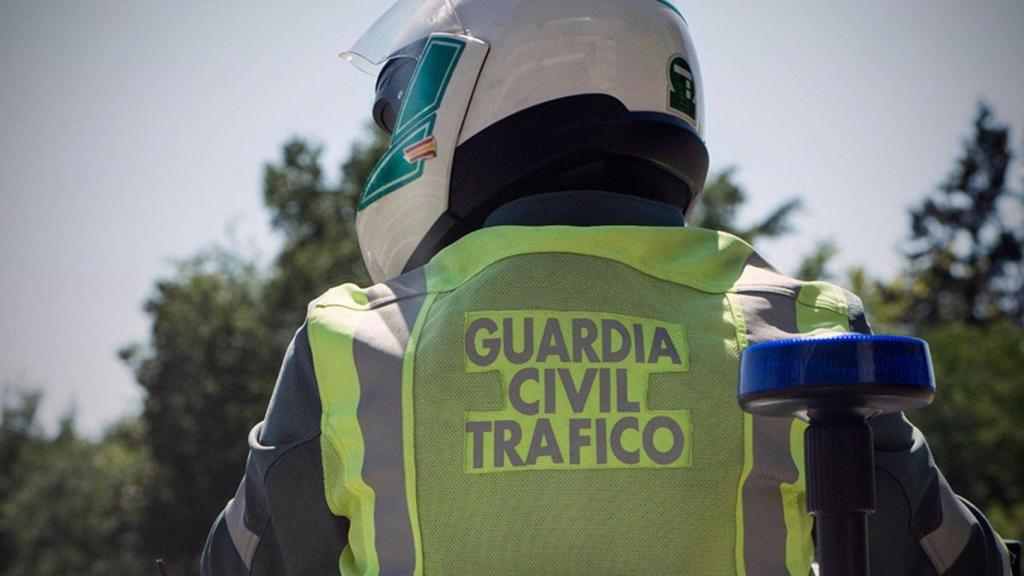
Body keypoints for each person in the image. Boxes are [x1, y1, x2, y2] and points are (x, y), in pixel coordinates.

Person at [201, 1, 1013, 574]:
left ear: (467, 92)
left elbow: (243, 566)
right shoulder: (805, 331)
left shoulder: (353, 346)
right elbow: (952, 560)